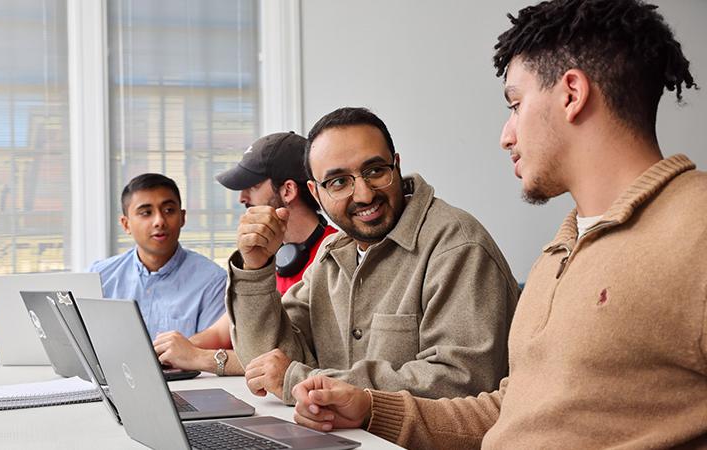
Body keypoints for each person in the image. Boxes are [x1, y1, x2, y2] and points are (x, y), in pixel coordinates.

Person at [290, 1, 707, 448]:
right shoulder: (561, 252)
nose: (506, 135)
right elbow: (511, 412)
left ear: (571, 93)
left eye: (515, 104)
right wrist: (372, 407)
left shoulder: (695, 231)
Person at [228, 107, 520, 405]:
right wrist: (255, 266)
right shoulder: (332, 256)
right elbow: (266, 364)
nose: (365, 194)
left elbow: (462, 381)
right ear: (316, 194)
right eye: (339, 182)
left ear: (396, 166)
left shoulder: (458, 246)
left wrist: (305, 382)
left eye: (375, 171)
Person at [151, 132, 336, 376]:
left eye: (254, 185)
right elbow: (222, 331)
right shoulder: (267, 256)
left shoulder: (335, 255)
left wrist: (199, 358)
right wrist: (166, 354)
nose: (242, 197)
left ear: (288, 190)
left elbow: (299, 360)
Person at [89, 173, 227, 342]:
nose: (159, 221)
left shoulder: (212, 280)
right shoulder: (99, 276)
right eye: (146, 213)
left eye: (169, 210)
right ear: (126, 224)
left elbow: (210, 352)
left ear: (182, 217)